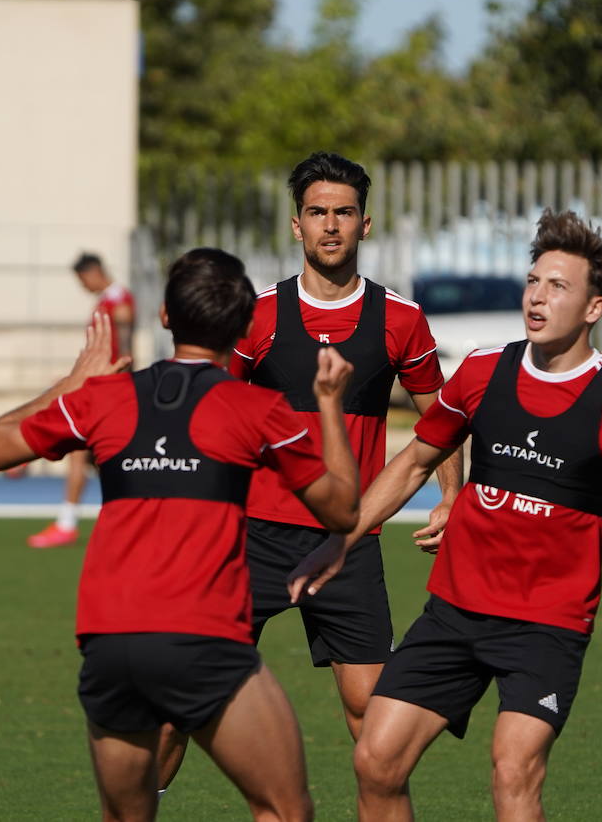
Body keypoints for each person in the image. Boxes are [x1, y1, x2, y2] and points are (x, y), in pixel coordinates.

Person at [330, 209, 602, 821]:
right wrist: (341, 539)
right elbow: (412, 464)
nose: (537, 297)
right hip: (454, 612)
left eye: (558, 286)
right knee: (376, 761)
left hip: (545, 627)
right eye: (533, 281)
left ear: (595, 308)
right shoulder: (483, 372)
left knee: (514, 772)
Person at [0, 247, 361, 822]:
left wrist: (73, 380)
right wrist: (330, 404)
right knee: (283, 810)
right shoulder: (255, 408)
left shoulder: (102, 399)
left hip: (110, 643)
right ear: (245, 326)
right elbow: (343, 510)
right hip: (200, 638)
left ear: (164, 317)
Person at [156, 152, 459, 787]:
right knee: (180, 702)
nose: (330, 225)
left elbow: (442, 419)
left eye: (343, 213)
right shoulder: (257, 316)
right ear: (297, 225)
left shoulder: (401, 319)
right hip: (253, 539)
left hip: (348, 541)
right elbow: (208, 407)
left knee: (373, 719)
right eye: (317, 212)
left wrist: (451, 497)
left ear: (365, 224)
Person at [26, 252, 135, 549]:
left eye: (82, 279)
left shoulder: (119, 301)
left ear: (94, 272)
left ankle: (67, 523)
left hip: (107, 387)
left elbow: (125, 350)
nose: (82, 285)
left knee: (81, 452)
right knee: (101, 457)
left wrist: (119, 381)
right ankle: (117, 519)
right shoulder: (108, 301)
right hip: (101, 384)